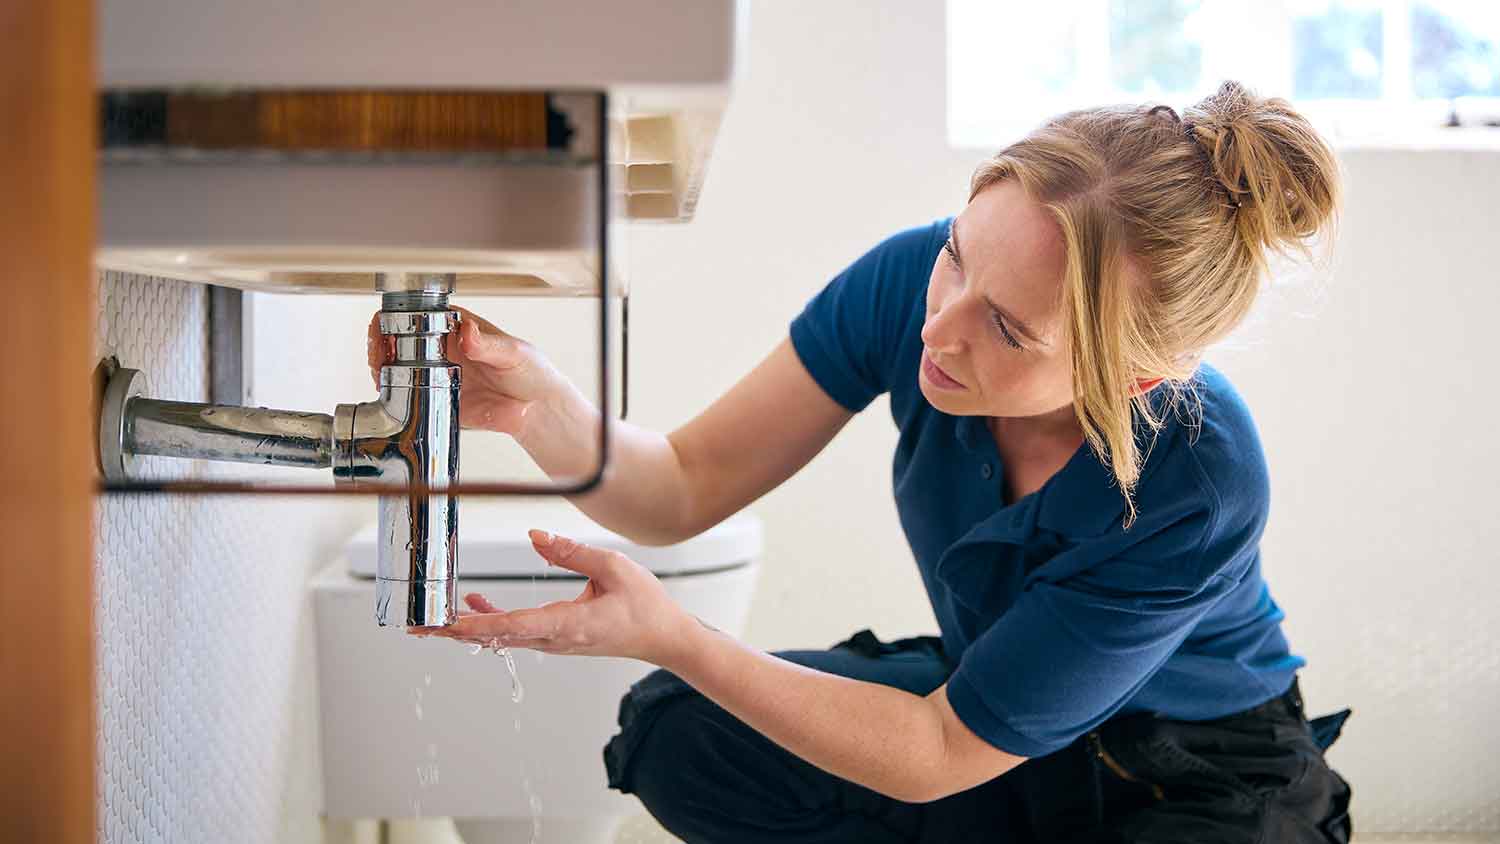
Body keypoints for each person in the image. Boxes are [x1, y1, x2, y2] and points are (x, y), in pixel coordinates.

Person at [377, 80, 1355, 843]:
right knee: (681, 732)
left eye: (1009, 329)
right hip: (992, 714)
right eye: (961, 255)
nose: (944, 325)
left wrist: (675, 631)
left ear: (1135, 377)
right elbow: (680, 485)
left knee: (706, 675)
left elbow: (937, 750)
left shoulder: (1203, 474)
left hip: (1188, 768)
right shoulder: (916, 284)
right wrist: (544, 405)